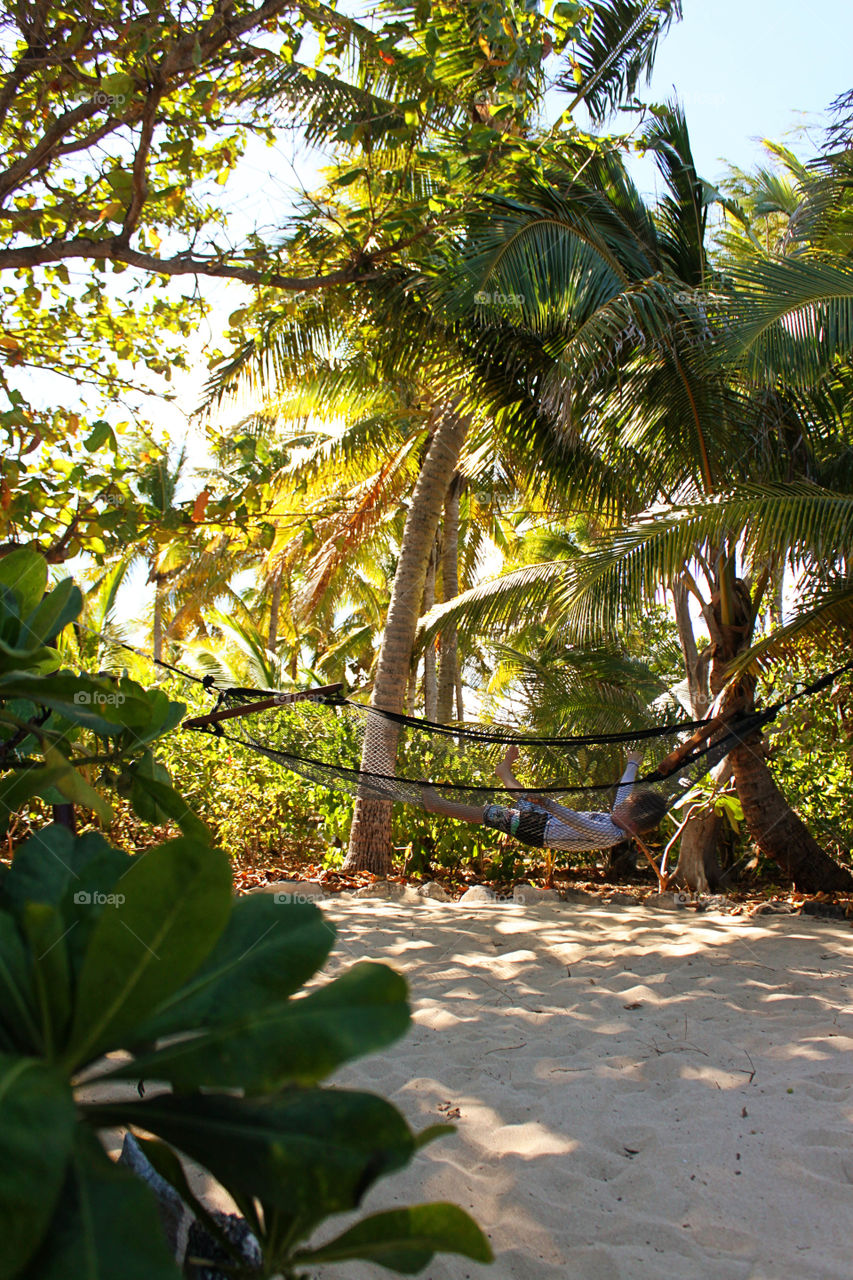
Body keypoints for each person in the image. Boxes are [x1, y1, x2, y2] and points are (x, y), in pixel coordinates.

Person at [422, 744, 667, 852]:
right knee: (524, 797)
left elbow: (579, 823)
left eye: (624, 808)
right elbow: (624, 791)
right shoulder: (620, 820)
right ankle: (504, 771)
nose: (619, 804)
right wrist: (632, 763)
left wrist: (548, 803)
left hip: (539, 832)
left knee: (492, 813)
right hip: (546, 820)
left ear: (632, 825)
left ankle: (437, 805)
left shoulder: (611, 833)